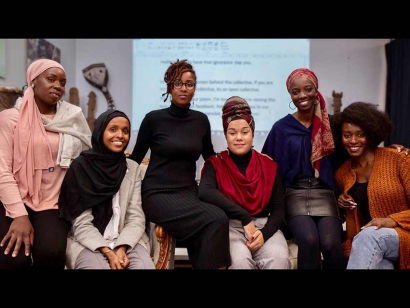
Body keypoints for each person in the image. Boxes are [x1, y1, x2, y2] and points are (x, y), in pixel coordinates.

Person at [128, 59, 230, 269]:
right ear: (170, 87)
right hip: (157, 193)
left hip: (188, 191)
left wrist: (233, 162)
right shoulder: (153, 119)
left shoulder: (201, 120)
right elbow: (135, 158)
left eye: (189, 83)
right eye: (178, 83)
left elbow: (209, 157)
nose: (184, 88)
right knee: (214, 220)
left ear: (194, 88)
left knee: (218, 218)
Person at [0, 59, 92, 269]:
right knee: (14, 257)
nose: (58, 86)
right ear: (32, 81)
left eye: (62, 82)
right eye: (51, 79)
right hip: (11, 199)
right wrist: (19, 215)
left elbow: (86, 157)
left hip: (52, 202)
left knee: (51, 253)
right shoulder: (9, 119)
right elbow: (2, 170)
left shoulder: (72, 118)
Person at [261, 68, 346, 269]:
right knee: (308, 239)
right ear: (290, 95)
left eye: (307, 89)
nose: (302, 96)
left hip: (325, 193)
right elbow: (269, 167)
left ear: (316, 90)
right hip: (295, 193)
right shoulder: (281, 128)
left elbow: (350, 155)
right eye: (295, 91)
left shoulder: (332, 124)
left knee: (330, 242)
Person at [198, 96, 291, 269]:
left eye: (245, 132)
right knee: (240, 262)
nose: (238, 138)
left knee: (279, 260)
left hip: (265, 226)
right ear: (226, 135)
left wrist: (264, 234)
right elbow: (204, 191)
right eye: (232, 133)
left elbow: (279, 209)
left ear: (253, 134)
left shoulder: (269, 165)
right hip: (230, 227)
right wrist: (244, 216)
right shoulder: (215, 164)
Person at [59, 109, 155, 270]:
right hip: (90, 243)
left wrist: (121, 248)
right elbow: (81, 223)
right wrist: (108, 252)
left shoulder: (132, 168)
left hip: (127, 241)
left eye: (125, 131)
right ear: (100, 131)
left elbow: (136, 217)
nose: (120, 135)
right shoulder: (81, 167)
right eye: (113, 129)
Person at [331, 102, 410, 269]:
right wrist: (348, 210)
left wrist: (391, 220)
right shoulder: (342, 174)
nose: (353, 141)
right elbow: (355, 237)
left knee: (370, 237)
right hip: (374, 242)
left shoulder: (398, 159)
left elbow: (367, 234)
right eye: (347, 135)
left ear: (371, 134)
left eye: (360, 135)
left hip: (404, 235)